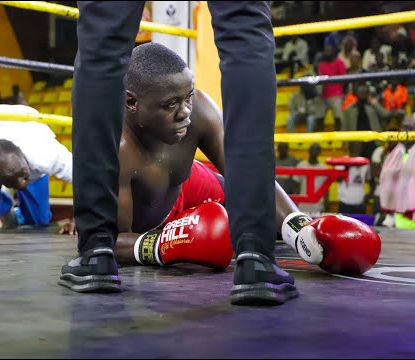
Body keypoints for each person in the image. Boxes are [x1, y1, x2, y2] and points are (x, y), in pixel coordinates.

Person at [63, 2, 378, 306]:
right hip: (158, 220)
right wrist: (161, 244)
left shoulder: (199, 109)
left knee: (104, 36)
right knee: (244, 25)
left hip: (193, 185)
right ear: (131, 103)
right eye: (170, 104)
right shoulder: (119, 152)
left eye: (187, 98)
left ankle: (256, 254)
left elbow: (246, 172)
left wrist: (299, 229)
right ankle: (98, 251)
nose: (184, 112)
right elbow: (122, 238)